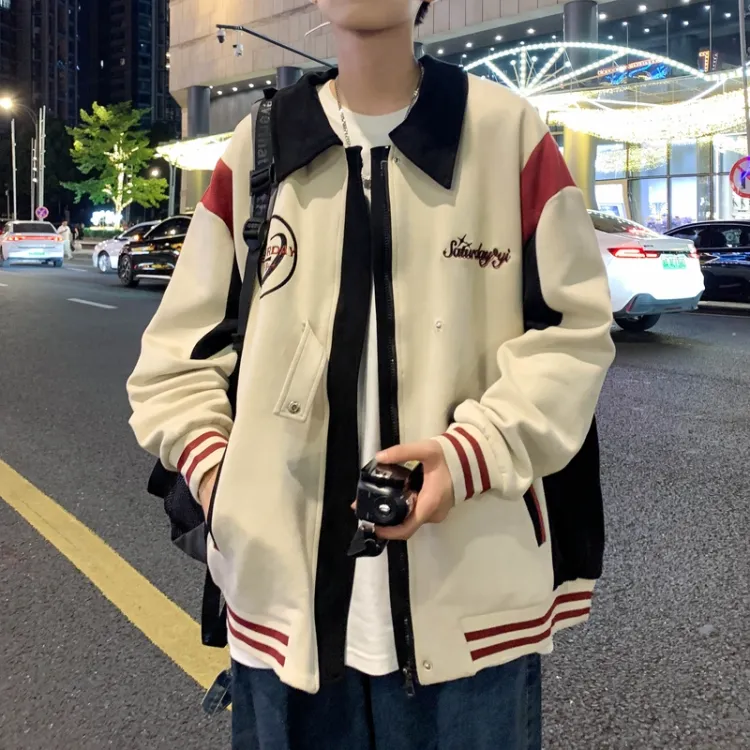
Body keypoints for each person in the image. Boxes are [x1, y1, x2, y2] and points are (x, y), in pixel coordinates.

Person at [127, 1, 616, 747]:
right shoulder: (259, 146)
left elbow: (573, 333)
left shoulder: (504, 132)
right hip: (281, 613)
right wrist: (227, 484)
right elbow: (174, 362)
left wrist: (469, 456)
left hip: (471, 611)